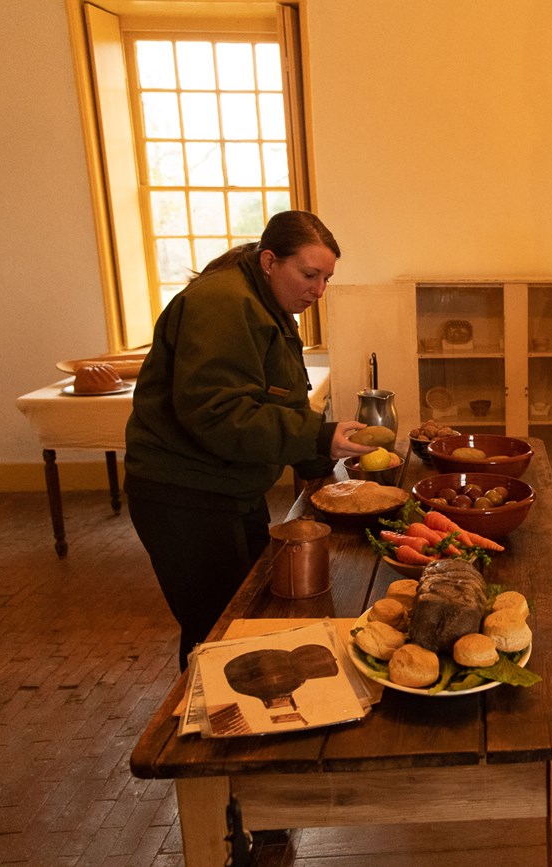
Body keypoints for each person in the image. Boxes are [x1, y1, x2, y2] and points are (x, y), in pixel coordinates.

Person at [125, 210, 373, 669]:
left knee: (246, 616)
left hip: (229, 485)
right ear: (269, 260)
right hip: (184, 494)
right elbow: (217, 414)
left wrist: (320, 457)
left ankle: (244, 714)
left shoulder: (264, 302)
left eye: (326, 279)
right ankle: (207, 727)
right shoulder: (222, 304)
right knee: (216, 631)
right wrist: (315, 438)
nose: (318, 291)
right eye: (309, 275)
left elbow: (276, 396)